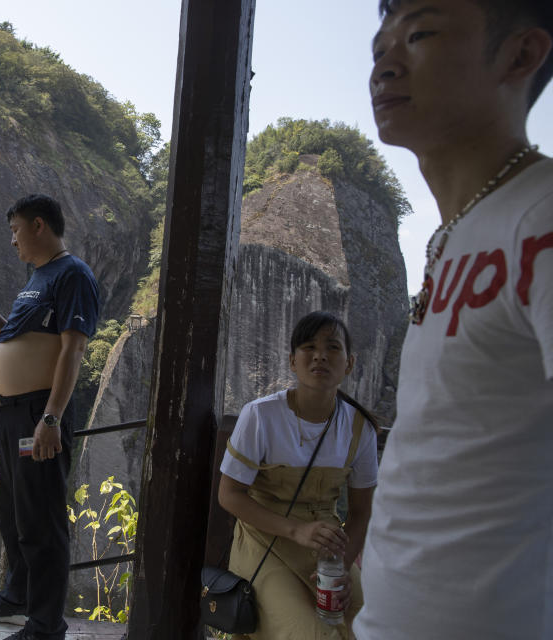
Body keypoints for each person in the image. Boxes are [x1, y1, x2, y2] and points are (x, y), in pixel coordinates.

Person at [355, 1, 553, 638]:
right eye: (380, 43)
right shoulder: (454, 236)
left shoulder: (540, 218)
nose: (385, 63)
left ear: (520, 55)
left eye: (419, 34)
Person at [0, 194, 100, 640]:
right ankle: (16, 596)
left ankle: (45, 623)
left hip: (40, 413)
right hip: (11, 415)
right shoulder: (36, 278)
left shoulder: (71, 274)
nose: (14, 240)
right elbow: (22, 339)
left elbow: (72, 349)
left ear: (39, 225)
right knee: (12, 512)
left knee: (41, 517)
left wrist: (52, 418)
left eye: (16, 230)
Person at [217, 311, 379, 639]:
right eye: (309, 347)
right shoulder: (261, 416)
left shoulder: (360, 428)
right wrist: (297, 530)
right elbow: (229, 494)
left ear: (349, 363)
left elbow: (362, 511)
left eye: (332, 347)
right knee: (309, 634)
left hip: (326, 550)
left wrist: (342, 569)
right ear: (293, 361)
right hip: (264, 539)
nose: (320, 355)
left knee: (368, 627)